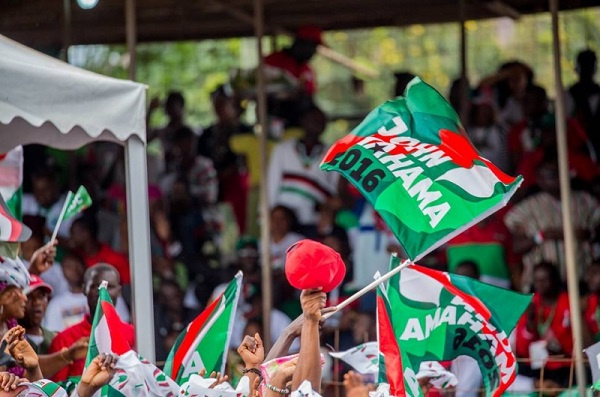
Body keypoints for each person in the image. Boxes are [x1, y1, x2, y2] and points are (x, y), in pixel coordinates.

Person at [504, 155, 600, 290]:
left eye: (558, 173)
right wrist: (542, 236)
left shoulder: (585, 201)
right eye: (550, 175)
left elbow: (596, 231)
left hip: (581, 277)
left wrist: (588, 234)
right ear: (539, 179)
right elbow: (516, 245)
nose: (557, 178)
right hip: (544, 284)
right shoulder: (527, 207)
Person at [49, 264, 134, 382]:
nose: (102, 292)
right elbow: (59, 390)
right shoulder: (64, 340)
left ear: (119, 291)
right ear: (84, 290)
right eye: (96, 286)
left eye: (109, 287)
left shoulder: (133, 335)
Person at [267, 105, 339, 234]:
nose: (316, 124)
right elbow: (271, 185)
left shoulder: (333, 153)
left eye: (320, 121)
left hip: (313, 221)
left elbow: (333, 190)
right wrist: (270, 216)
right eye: (312, 119)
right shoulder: (283, 149)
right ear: (302, 122)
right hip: (283, 222)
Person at [198, 85, 252, 233]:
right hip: (212, 184)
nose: (220, 109)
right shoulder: (207, 134)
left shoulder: (244, 131)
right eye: (217, 105)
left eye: (223, 104)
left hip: (237, 185)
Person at [514, 262, 573, 387]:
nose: (540, 284)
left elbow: (573, 340)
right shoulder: (532, 303)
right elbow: (521, 349)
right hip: (537, 365)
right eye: (537, 280)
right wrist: (530, 321)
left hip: (564, 364)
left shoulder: (567, 301)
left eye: (545, 280)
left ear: (554, 280)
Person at [68, 213, 132, 318]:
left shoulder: (114, 259)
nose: (70, 236)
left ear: (85, 234)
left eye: (73, 232)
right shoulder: (75, 259)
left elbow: (128, 292)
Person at [264, 26, 323, 126]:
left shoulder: (307, 70)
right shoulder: (274, 61)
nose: (314, 52)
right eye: (312, 46)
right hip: (274, 120)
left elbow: (310, 97)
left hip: (301, 125)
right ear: (301, 43)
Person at [43, 251, 89, 332]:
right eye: (69, 266)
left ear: (85, 266)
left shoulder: (100, 297)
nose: (74, 269)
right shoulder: (56, 304)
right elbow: (54, 334)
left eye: (77, 265)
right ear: (62, 272)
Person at [22, 167, 73, 239]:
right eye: (37, 190)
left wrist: (49, 233)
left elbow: (72, 244)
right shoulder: (24, 202)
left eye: (45, 189)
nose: (40, 194)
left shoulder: (69, 208)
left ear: (55, 187)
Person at [568, 49, 600, 153]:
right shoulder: (568, 95)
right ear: (577, 68)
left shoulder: (598, 92)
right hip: (578, 148)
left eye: (590, 65)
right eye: (584, 65)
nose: (587, 69)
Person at [20, 275, 54, 354]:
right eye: (29, 297)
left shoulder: (55, 338)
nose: (37, 302)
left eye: (41, 296)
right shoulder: (11, 339)